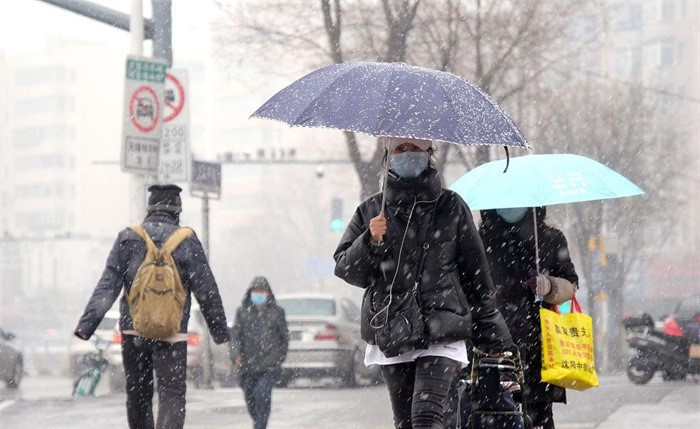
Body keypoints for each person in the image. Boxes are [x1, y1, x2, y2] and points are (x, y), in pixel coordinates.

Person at [334, 137, 514, 429]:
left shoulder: (451, 206)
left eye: (415, 149)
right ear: (388, 156)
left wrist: (494, 335)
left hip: (442, 327)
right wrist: (369, 241)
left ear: (429, 154)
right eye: (400, 149)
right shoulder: (371, 212)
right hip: (392, 328)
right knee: (406, 421)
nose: (408, 155)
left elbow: (477, 276)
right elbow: (347, 269)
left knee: (426, 416)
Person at [74, 184, 230, 429]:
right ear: (176, 210)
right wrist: (219, 331)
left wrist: (87, 325)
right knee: (172, 393)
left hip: (134, 330)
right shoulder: (186, 241)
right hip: (172, 331)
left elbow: (108, 284)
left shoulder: (128, 238)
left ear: (150, 208)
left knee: (138, 394)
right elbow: (207, 290)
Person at [479, 207, 578, 429]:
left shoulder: (550, 238)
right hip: (494, 342)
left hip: (539, 342)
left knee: (538, 416)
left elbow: (570, 285)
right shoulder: (479, 240)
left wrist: (549, 285)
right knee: (496, 413)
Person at [230, 276, 289, 429]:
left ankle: (260, 426)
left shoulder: (277, 312)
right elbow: (235, 336)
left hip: (268, 367)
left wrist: (279, 358)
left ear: (268, 293)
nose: (259, 294)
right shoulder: (242, 312)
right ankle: (258, 422)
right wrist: (236, 355)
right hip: (247, 367)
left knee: (263, 398)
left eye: (262, 291)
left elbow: (284, 338)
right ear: (250, 293)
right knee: (251, 400)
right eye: (256, 291)